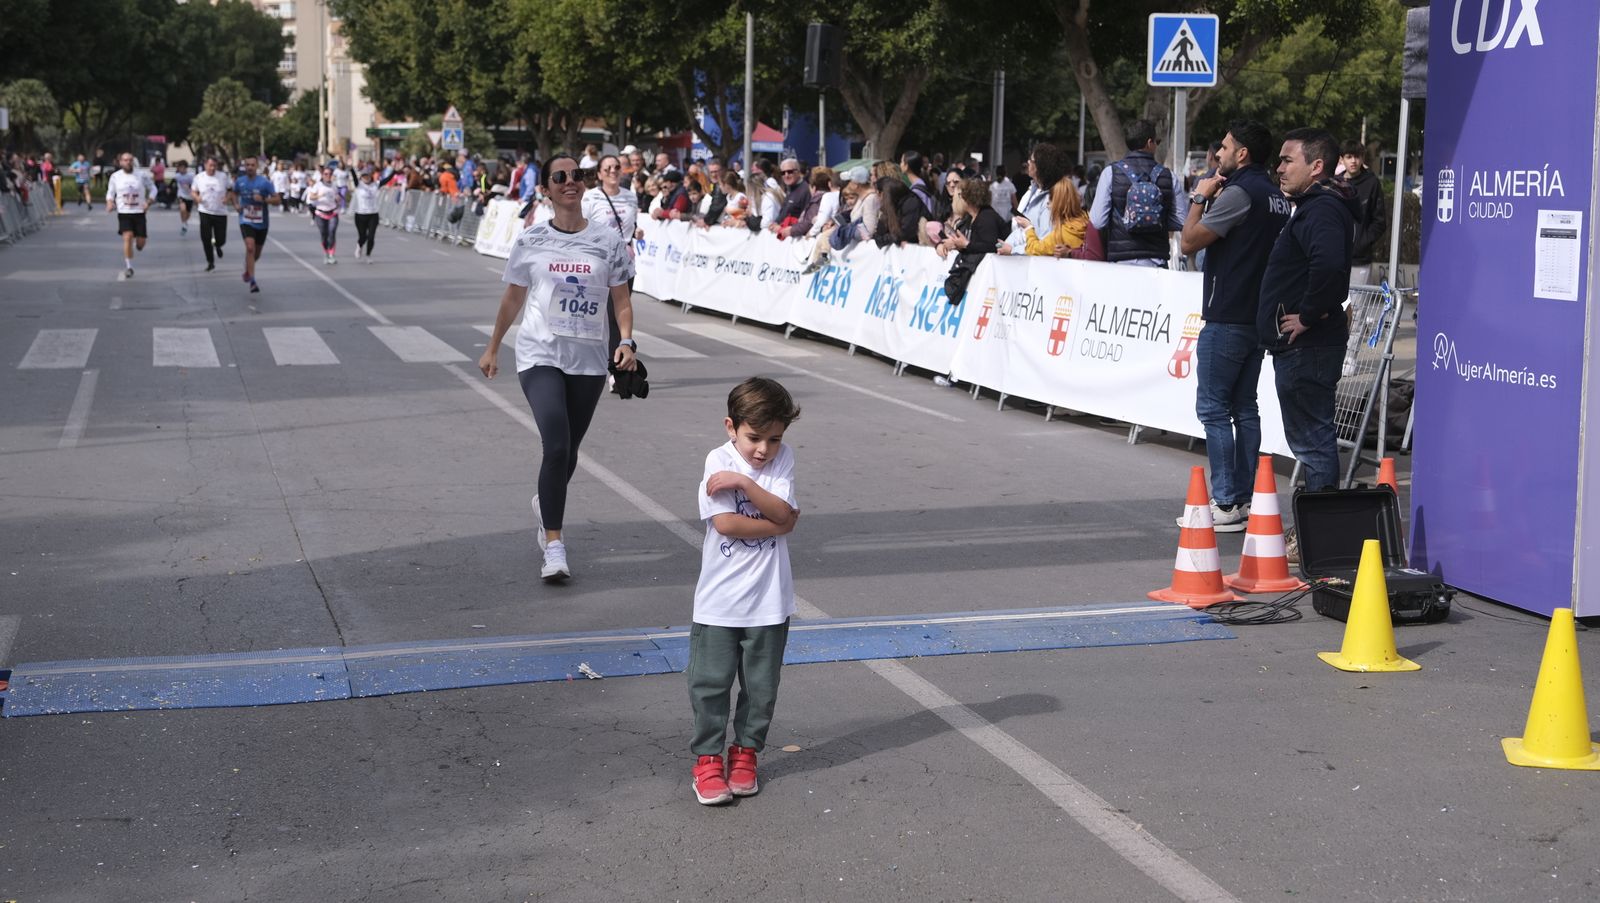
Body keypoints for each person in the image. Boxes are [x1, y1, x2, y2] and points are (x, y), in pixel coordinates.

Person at [478, 154, 639, 581]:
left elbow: (620, 299)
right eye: (560, 177)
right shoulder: (531, 240)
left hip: (588, 359)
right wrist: (493, 346)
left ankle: (545, 501)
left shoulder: (607, 241)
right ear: (546, 189)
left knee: (569, 450)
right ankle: (554, 545)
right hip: (539, 354)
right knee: (556, 444)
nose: (571, 182)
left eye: (576, 176)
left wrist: (625, 342)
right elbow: (513, 297)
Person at [687, 377, 803, 806]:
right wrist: (781, 521)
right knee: (710, 683)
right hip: (719, 602)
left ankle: (745, 754)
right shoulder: (716, 459)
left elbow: (781, 513)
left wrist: (748, 485)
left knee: (761, 687)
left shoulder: (781, 460)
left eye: (774, 439)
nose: (763, 450)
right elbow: (728, 524)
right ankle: (707, 760)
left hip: (770, 602)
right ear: (730, 427)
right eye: (754, 438)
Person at [1177, 120, 1291, 531]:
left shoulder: (1239, 192)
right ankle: (1241, 500)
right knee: (1243, 408)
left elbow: (1188, 242)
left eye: (1224, 147)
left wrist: (1198, 197)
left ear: (1242, 153)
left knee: (1214, 409)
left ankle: (1226, 501)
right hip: (1255, 317)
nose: (1218, 154)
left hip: (1227, 317)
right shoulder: (1275, 195)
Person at [1259, 128, 1356, 496]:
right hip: (1304, 347)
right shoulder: (1316, 207)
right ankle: (1317, 527)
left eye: (1287, 160)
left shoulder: (1324, 209)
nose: (1279, 168)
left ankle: (1321, 531)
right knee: (1311, 442)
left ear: (1316, 166)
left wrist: (1308, 315)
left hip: (1308, 346)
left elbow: (1329, 267)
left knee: (1313, 443)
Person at [1089, 119, 1183, 266]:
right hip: (1156, 260)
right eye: (1156, 142)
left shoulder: (1111, 173)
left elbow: (1098, 221)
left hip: (1121, 262)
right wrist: (1157, 218)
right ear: (1149, 143)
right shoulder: (1169, 176)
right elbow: (1181, 220)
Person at [228, 155, 279, 293]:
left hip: (262, 222)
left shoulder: (264, 183)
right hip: (246, 219)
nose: (250, 167)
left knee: (256, 254)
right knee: (250, 247)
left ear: (257, 167)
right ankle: (252, 281)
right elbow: (233, 193)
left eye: (252, 165)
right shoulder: (240, 181)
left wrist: (263, 199)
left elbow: (277, 199)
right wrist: (236, 204)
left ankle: (248, 267)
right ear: (245, 167)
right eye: (247, 165)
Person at [1004, 144, 1068, 252]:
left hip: (1032, 263)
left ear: (1042, 166)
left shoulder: (1050, 200)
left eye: (1032, 160)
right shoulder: (1033, 190)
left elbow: (1045, 243)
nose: (1028, 162)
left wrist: (1013, 250)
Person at [1339, 141, 1387, 283]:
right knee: (1334, 304)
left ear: (1362, 158)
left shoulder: (1372, 183)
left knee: (1358, 304)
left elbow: (1380, 221)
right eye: (1349, 156)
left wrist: (1361, 243)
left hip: (1360, 260)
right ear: (1341, 159)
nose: (1353, 161)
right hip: (1335, 258)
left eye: (1357, 156)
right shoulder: (1335, 184)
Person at [1014, 178, 1094, 258]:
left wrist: (1028, 228)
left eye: (1051, 199)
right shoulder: (1088, 219)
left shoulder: (1060, 236)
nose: (1047, 204)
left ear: (1058, 204)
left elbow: (1034, 249)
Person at [106, 152, 154, 280]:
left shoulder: (141, 175)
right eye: (125, 160)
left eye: (130, 160)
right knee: (127, 237)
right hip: (124, 212)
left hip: (139, 212)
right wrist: (110, 202)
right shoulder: (115, 177)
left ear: (133, 162)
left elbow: (153, 188)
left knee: (140, 243)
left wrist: (148, 202)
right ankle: (129, 267)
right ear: (120, 162)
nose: (128, 162)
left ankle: (139, 244)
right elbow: (110, 192)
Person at [192, 156, 229, 272]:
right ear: (205, 165)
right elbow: (193, 191)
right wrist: (197, 198)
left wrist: (227, 198)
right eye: (210, 165)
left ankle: (218, 245)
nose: (212, 168)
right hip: (205, 211)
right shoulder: (199, 177)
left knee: (221, 239)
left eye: (214, 166)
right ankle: (210, 262)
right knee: (205, 238)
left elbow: (231, 190)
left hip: (220, 212)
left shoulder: (223, 177)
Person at [306, 166, 344, 264]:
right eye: (326, 174)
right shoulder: (318, 185)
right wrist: (319, 196)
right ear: (322, 175)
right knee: (324, 234)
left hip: (332, 212)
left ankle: (331, 254)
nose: (328, 176)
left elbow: (337, 196)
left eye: (330, 174)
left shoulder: (334, 185)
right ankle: (326, 253)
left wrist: (338, 198)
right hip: (320, 213)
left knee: (332, 232)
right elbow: (311, 196)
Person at [352, 168, 380, 262]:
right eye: (364, 176)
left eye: (367, 175)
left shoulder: (375, 185)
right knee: (363, 236)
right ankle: (359, 246)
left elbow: (387, 179)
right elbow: (354, 177)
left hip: (373, 214)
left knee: (371, 236)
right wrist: (351, 168)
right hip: (360, 214)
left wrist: (395, 171)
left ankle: (368, 255)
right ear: (361, 177)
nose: (366, 178)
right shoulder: (358, 185)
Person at [173, 159, 195, 236]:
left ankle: (185, 222)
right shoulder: (177, 176)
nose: (181, 169)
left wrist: (189, 186)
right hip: (181, 195)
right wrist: (169, 188)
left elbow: (195, 185)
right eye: (180, 168)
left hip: (190, 196)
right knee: (183, 209)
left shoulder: (191, 176)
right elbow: (172, 182)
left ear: (186, 168)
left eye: (183, 168)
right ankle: (183, 224)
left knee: (188, 213)